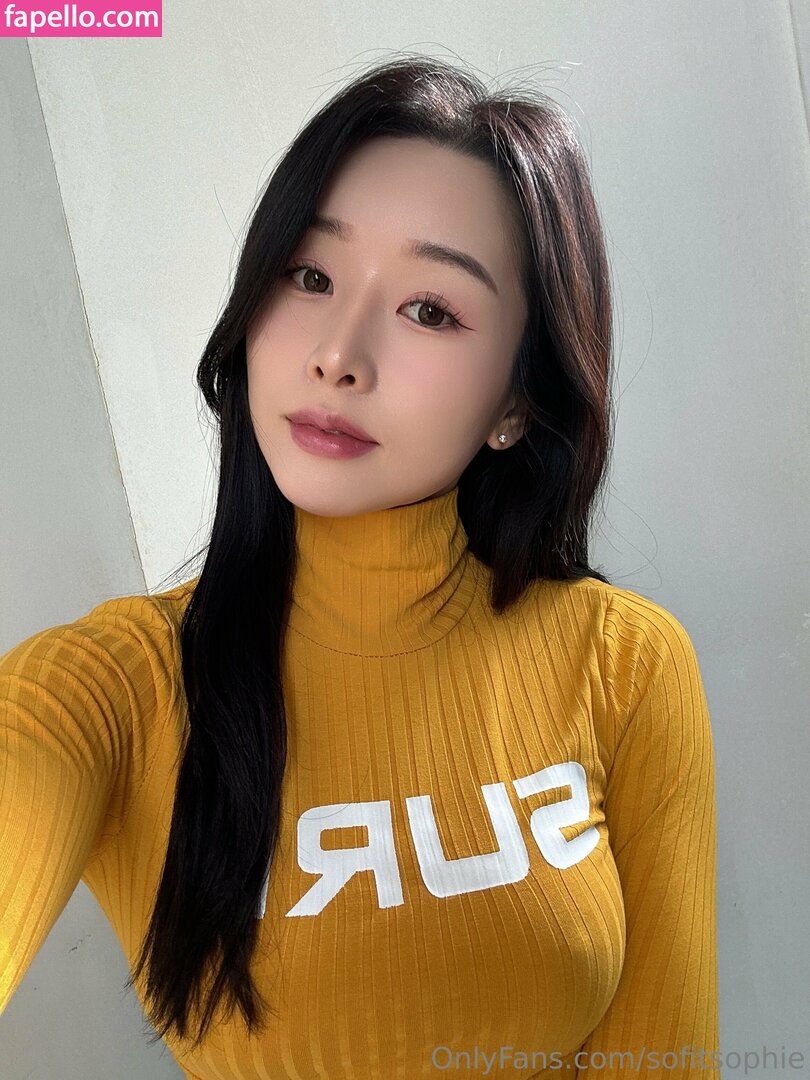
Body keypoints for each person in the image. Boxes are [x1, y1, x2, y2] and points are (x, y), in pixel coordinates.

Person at [0, 55, 720, 1078]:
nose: (337, 353)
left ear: (518, 402)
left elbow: (665, 1060)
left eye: (431, 309)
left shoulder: (628, 664)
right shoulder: (116, 685)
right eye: (309, 275)